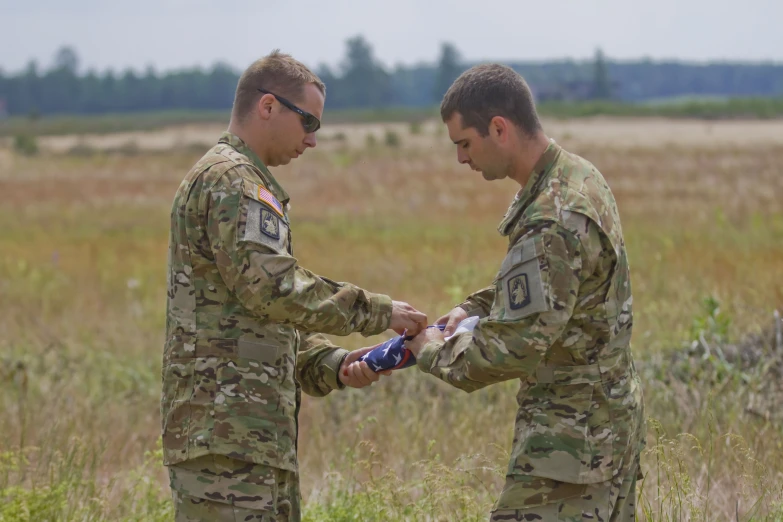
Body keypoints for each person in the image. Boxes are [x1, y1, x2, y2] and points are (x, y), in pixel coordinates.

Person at [161, 49, 427, 522]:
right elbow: (274, 290)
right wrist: (377, 312)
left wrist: (335, 364)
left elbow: (261, 315)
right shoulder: (233, 180)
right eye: (308, 123)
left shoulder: (242, 179)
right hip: (227, 437)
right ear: (267, 107)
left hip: (249, 436)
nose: (312, 141)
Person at [404, 64, 646, 521]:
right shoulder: (577, 176)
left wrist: (432, 350)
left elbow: (510, 349)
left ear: (499, 128)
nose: (461, 159)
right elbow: (549, 286)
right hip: (606, 426)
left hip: (571, 446)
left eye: (464, 144)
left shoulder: (551, 217)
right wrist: (470, 307)